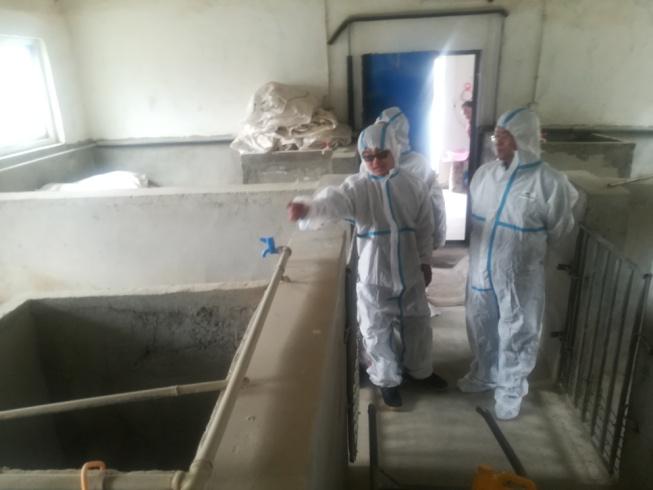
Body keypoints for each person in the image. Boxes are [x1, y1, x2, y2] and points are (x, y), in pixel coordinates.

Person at [288, 122, 448, 408]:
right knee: (376, 327)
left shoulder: (412, 185)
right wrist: (309, 208)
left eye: (382, 154)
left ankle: (420, 371)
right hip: (375, 274)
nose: (375, 162)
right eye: (368, 156)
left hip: (410, 270)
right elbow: (332, 201)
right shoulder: (357, 187)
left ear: (394, 151)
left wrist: (425, 261)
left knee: (418, 321)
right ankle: (387, 380)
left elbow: (425, 227)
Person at [458, 107, 578, 420]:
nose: (497, 143)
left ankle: (510, 391)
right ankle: (484, 373)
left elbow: (560, 229)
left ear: (523, 139)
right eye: (496, 136)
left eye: (505, 137)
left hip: (519, 273)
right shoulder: (485, 176)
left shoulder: (549, 183)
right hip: (481, 268)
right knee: (480, 320)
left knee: (518, 329)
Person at [361, 107, 447, 249]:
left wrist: (436, 239)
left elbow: (435, 204)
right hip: (378, 239)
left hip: (411, 238)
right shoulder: (367, 165)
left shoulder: (419, 165)